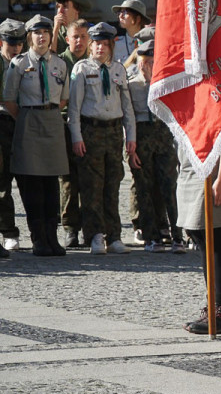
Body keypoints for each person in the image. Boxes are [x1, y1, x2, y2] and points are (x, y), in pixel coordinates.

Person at [3, 15, 70, 256]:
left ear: (51, 36)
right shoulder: (19, 64)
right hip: (28, 122)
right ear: (29, 37)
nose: (41, 37)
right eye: (36, 33)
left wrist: (47, 112)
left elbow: (64, 97)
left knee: (51, 185)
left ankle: (52, 237)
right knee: (32, 185)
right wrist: (26, 118)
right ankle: (38, 238)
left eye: (46, 32)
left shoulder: (60, 64)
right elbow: (9, 99)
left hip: (52, 121)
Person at [69, 22, 138, 255]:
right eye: (96, 43)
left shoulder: (118, 70)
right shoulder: (81, 68)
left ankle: (114, 235)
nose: (100, 48)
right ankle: (95, 235)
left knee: (113, 183)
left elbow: (127, 106)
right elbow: (74, 108)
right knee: (91, 186)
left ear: (111, 45)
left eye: (104, 44)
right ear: (91, 45)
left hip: (114, 131)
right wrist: (76, 137)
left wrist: (131, 136)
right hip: (91, 130)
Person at [126, 39, 183, 253]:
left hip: (163, 133)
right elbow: (129, 116)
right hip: (141, 134)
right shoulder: (131, 85)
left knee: (170, 186)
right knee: (144, 188)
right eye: (144, 61)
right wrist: (130, 146)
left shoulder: (165, 83)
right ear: (138, 62)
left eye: (152, 61)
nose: (148, 65)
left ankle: (177, 236)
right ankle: (151, 237)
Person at [180, 137, 221, 334]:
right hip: (194, 160)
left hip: (214, 165)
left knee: (215, 236)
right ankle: (214, 305)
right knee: (200, 235)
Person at [58, 19, 89, 247]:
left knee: (91, 180)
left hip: (89, 126)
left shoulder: (94, 63)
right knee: (68, 180)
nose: (79, 41)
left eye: (83, 37)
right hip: (64, 126)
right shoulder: (59, 63)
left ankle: (92, 227)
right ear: (66, 39)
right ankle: (70, 228)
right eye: (75, 37)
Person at [0, 19, 26, 255]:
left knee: (30, 180)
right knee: (2, 183)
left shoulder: (25, 63)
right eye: (11, 44)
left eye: (19, 43)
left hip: (25, 124)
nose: (16, 48)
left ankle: (40, 233)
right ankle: (8, 231)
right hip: (2, 124)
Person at [111, 0, 151, 68]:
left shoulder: (149, 43)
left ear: (138, 18)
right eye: (120, 12)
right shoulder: (115, 44)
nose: (121, 16)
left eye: (125, 12)